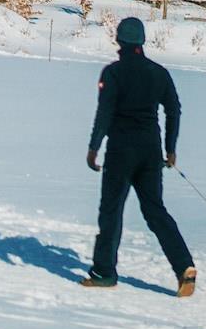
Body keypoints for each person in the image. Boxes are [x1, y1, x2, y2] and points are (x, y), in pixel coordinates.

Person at [82, 16, 196, 295]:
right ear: (142, 41)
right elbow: (174, 109)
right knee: (155, 210)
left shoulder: (112, 73)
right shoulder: (159, 73)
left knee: (111, 211)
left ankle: (104, 272)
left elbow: (104, 113)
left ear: (119, 40)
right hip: (150, 151)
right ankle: (184, 266)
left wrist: (94, 147)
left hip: (121, 151)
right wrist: (170, 148)